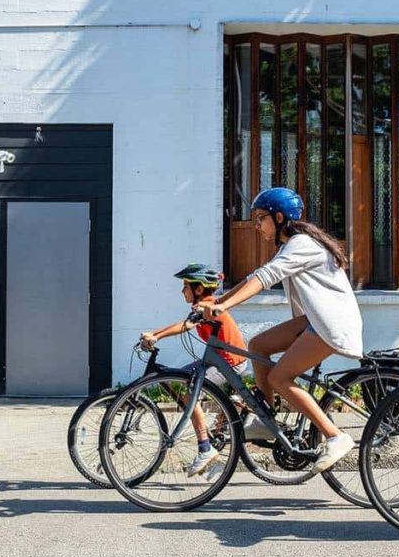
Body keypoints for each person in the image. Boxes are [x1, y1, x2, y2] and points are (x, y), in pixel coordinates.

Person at [197, 187, 363, 474]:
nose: (257, 226)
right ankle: (265, 419)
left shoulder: (302, 244)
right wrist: (221, 302)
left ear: (278, 216)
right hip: (314, 319)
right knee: (258, 345)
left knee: (279, 377)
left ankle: (335, 435)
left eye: (260, 218)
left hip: (331, 324)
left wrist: (224, 307)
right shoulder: (291, 246)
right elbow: (258, 275)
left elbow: (265, 277)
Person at [140, 263, 249, 477]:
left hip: (229, 363)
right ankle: (212, 438)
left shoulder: (206, 306)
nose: (182, 291)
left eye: (185, 287)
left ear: (198, 289)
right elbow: (185, 323)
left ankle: (205, 447)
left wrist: (156, 335)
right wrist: (154, 333)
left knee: (190, 389)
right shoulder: (202, 306)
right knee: (178, 380)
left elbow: (185, 326)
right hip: (215, 361)